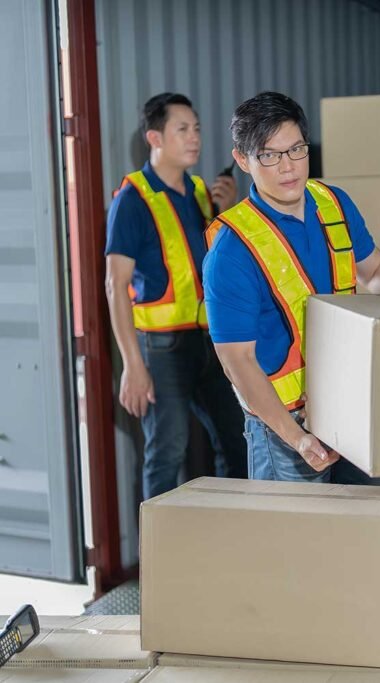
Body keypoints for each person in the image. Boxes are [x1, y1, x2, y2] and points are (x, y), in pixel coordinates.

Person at [203, 92, 380, 484]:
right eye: (269, 155)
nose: (288, 166)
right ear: (243, 160)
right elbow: (238, 362)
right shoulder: (232, 250)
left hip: (349, 405)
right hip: (286, 428)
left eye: (296, 149)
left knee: (371, 520)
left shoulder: (333, 203)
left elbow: (373, 271)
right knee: (301, 528)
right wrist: (297, 438)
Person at [105, 92, 246, 500]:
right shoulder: (132, 200)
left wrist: (225, 211)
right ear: (155, 138)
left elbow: (218, 263)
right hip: (162, 348)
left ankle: (231, 528)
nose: (194, 137)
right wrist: (132, 365)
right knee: (167, 453)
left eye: (196, 128)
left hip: (209, 341)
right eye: (182, 129)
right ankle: (156, 543)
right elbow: (115, 284)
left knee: (236, 441)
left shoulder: (200, 192)